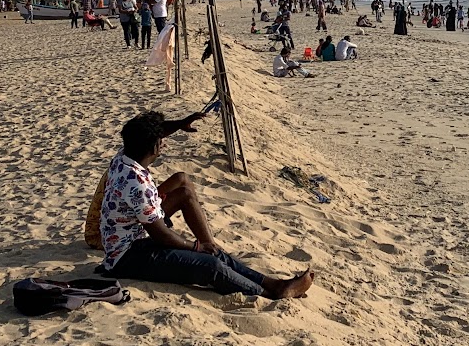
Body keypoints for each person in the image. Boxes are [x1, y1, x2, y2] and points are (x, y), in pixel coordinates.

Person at [98, 112, 313, 299]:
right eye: (161, 140)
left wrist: (180, 123)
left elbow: (153, 132)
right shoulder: (136, 183)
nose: (164, 142)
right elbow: (160, 235)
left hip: (135, 239)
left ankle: (272, 283)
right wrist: (196, 247)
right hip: (127, 257)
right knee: (211, 266)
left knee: (212, 251)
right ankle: (267, 294)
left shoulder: (125, 156)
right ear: (153, 146)